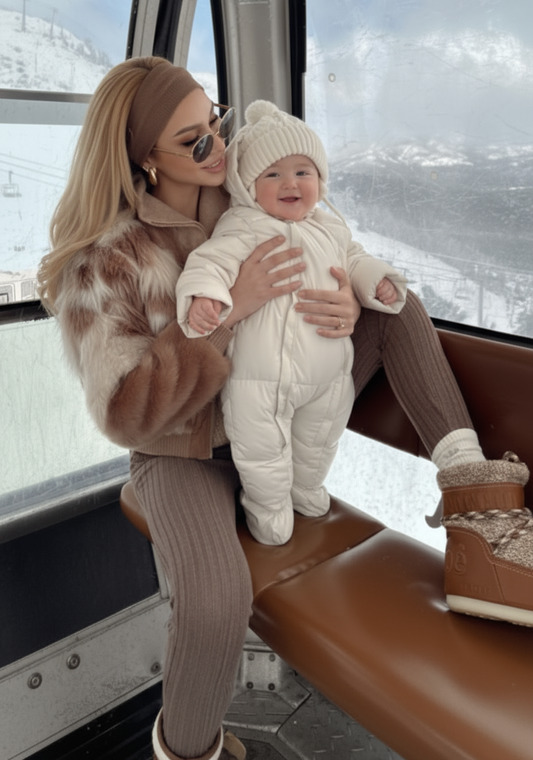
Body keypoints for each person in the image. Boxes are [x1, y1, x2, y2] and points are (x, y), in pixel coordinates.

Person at [36, 58, 533, 760]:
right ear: (146, 158)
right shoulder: (109, 262)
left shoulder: (251, 189)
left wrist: (347, 300)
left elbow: (336, 246)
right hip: (186, 453)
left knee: (398, 306)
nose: (219, 145)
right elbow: (126, 414)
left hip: (283, 400)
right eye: (194, 141)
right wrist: (227, 314)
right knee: (215, 604)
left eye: (217, 121)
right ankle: (190, 750)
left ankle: (483, 518)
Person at [176, 100, 410, 545]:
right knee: (261, 452)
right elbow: (210, 261)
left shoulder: (331, 229)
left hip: (328, 374)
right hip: (258, 379)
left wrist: (375, 281)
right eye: (272, 175)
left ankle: (304, 488)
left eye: (303, 172)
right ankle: (267, 507)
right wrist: (205, 296)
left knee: (318, 441)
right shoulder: (243, 226)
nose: (291, 183)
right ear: (248, 187)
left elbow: (355, 259)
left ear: (320, 180)